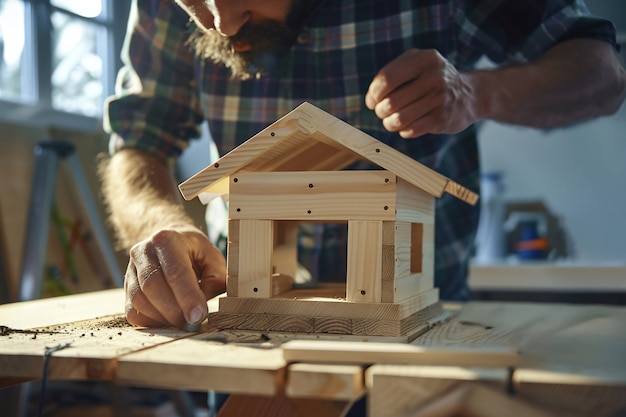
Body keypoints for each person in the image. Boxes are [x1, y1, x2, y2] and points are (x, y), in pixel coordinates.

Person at [100, 0, 625, 331]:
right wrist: (161, 226)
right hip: (254, 326)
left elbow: (603, 74)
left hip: (420, 326)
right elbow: (139, 139)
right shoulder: (171, 7)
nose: (220, 20)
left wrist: (476, 93)